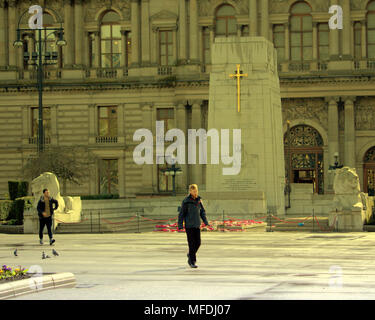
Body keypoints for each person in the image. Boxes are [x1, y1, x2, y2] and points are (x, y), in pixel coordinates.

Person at [178, 184, 209, 268]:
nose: (195, 192)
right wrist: (180, 225)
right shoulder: (186, 201)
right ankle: (192, 261)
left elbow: (202, 212)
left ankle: (190, 254)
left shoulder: (199, 200)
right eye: (193, 191)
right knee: (191, 244)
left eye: (196, 190)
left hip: (197, 225)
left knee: (198, 243)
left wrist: (206, 221)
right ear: (190, 191)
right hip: (189, 226)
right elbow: (181, 214)